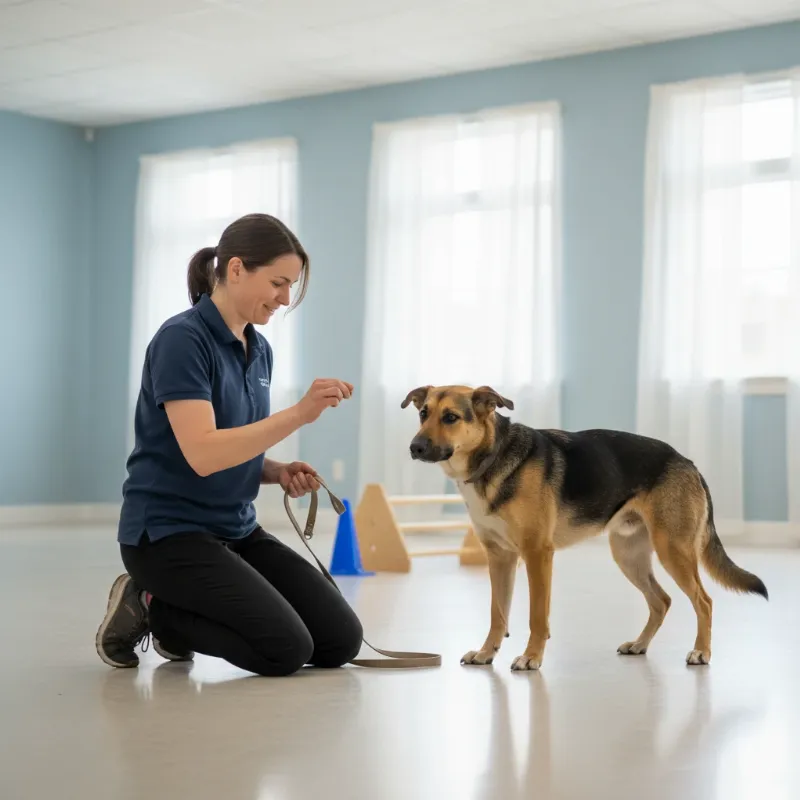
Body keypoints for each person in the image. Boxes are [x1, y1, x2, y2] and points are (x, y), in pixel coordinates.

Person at [95, 213, 363, 677]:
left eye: (291, 286)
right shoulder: (182, 340)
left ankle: (176, 609)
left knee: (340, 640)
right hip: (167, 537)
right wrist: (299, 413)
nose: (285, 298)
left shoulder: (259, 350)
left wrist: (275, 470)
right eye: (278, 283)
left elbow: (233, 443)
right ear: (236, 269)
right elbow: (204, 453)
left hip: (235, 530)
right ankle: (153, 605)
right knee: (285, 649)